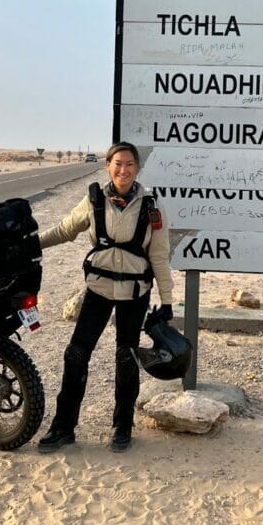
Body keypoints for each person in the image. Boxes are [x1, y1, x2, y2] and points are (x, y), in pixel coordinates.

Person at [36, 141, 175, 453]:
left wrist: (167, 302)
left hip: (135, 294)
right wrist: (30, 244)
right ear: (108, 166)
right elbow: (64, 230)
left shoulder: (152, 206)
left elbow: (159, 256)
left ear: (137, 168)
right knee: (75, 355)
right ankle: (63, 427)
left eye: (130, 164)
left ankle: (122, 426)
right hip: (98, 290)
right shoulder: (94, 199)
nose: (123, 170)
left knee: (126, 358)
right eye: (118, 164)